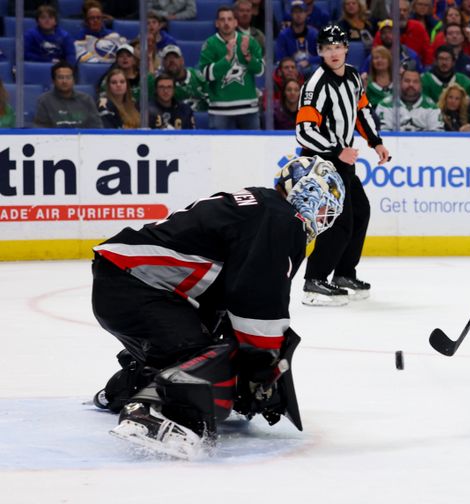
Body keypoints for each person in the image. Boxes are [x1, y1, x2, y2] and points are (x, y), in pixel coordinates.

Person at [91, 156, 345, 458]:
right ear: (305, 193)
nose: (325, 216)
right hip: (136, 286)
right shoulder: (280, 219)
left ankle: (125, 388)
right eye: (324, 206)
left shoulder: (264, 207)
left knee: (216, 343)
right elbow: (256, 297)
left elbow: (230, 291)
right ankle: (146, 413)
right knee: (210, 357)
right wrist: (262, 367)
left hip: (128, 283)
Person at [296, 25, 390, 306]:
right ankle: (314, 280)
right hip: (322, 162)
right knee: (340, 221)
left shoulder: (352, 77)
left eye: (338, 47)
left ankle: (343, 273)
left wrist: (376, 142)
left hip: (342, 161)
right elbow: (304, 130)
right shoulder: (315, 85)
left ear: (346, 48)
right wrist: (336, 151)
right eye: (327, 48)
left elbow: (362, 111)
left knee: (360, 212)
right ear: (320, 51)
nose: (333, 52)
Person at [200, 6, 264, 129]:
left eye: (229, 19)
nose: (226, 23)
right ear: (217, 23)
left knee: (253, 147)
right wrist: (227, 59)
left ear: (235, 22)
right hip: (220, 111)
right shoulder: (210, 44)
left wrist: (248, 57)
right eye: (222, 20)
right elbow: (206, 75)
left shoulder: (249, 42)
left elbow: (260, 70)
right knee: (219, 148)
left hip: (248, 109)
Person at [34, 61, 103, 128]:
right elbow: (41, 129)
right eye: (60, 77)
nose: (64, 81)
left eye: (68, 77)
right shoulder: (44, 100)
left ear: (74, 80)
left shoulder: (86, 100)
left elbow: (96, 127)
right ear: (53, 81)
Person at [377, 63, 444, 131]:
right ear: (400, 82)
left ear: (421, 85)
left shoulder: (431, 107)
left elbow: (438, 136)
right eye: (407, 81)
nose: (411, 85)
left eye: (415, 81)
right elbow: (384, 136)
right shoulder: (385, 105)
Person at [276, 0, 321, 78]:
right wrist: (294, 66)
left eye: (301, 11)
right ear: (291, 14)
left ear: (306, 14)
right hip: (291, 72)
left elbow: (323, 56)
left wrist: (309, 61)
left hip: (311, 71)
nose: (298, 15)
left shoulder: (314, 33)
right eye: (295, 12)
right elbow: (281, 59)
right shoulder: (283, 35)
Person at [160, 45, 209, 111]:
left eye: (175, 57)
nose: (171, 61)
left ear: (182, 60)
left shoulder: (198, 78)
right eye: (167, 58)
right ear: (163, 63)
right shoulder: (161, 84)